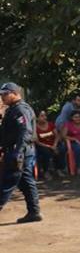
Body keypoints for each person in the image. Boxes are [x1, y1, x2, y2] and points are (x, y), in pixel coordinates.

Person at [0, 83, 42, 224]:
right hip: (19, 150)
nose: (2, 97)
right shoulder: (12, 109)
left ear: (14, 93)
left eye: (5, 94)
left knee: (6, 182)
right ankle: (34, 212)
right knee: (26, 182)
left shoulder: (20, 109)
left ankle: (34, 212)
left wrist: (18, 152)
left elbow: (25, 132)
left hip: (19, 151)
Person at [34, 111, 60, 179]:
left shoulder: (51, 124)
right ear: (37, 118)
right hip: (42, 146)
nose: (45, 117)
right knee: (46, 152)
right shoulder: (35, 127)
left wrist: (54, 145)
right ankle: (46, 171)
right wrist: (50, 147)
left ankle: (58, 169)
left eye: (45, 115)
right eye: (42, 116)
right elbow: (37, 142)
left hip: (53, 144)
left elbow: (57, 136)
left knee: (61, 148)